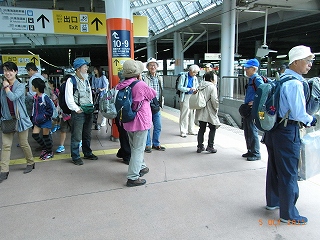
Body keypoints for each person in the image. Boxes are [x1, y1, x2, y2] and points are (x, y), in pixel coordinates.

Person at [264, 45, 317, 224]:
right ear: (296, 62)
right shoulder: (295, 83)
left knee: (274, 168)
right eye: (308, 61)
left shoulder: (281, 79)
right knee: (289, 173)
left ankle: (273, 202)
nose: (310, 64)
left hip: (273, 130)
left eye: (311, 61)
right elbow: (299, 114)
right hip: (288, 132)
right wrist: (312, 120)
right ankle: (289, 214)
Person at [116, 59, 156, 187]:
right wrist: (142, 81)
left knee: (135, 147)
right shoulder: (140, 85)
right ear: (138, 73)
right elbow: (153, 94)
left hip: (128, 121)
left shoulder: (122, 84)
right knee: (138, 149)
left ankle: (141, 166)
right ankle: (133, 177)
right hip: (140, 122)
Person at [0, 61, 34, 183]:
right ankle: (4, 170)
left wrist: (6, 87)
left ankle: (30, 162)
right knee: (6, 146)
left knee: (24, 143)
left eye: (10, 70)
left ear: (15, 72)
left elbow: (13, 97)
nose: (7, 73)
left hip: (21, 119)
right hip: (7, 119)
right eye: (5, 70)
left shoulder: (20, 85)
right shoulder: (2, 86)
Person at [65, 58, 98, 165]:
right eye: (85, 67)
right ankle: (75, 156)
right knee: (77, 135)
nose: (87, 69)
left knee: (87, 134)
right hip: (78, 112)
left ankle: (87, 152)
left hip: (88, 110)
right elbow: (68, 98)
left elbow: (89, 95)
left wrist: (92, 106)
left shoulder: (86, 80)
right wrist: (76, 109)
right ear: (78, 69)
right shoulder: (71, 81)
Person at [242, 58, 263, 161]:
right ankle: (250, 150)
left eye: (247, 68)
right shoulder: (251, 79)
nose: (245, 69)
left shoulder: (257, 79)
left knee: (252, 130)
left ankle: (256, 153)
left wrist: (255, 102)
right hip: (248, 109)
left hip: (253, 109)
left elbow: (264, 92)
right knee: (247, 130)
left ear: (254, 69)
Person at [142, 57, 166, 153]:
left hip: (156, 105)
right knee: (147, 125)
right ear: (147, 67)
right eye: (151, 65)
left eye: (154, 65)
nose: (153, 67)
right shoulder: (144, 77)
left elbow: (161, 91)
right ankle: (148, 144)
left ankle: (156, 143)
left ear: (157, 66)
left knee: (158, 125)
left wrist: (161, 103)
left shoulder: (159, 77)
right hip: (147, 104)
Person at [195, 72, 221, 153]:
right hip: (209, 110)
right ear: (211, 79)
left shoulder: (200, 85)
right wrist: (216, 108)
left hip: (200, 109)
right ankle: (210, 146)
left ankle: (200, 146)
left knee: (201, 128)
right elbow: (214, 100)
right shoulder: (212, 87)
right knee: (213, 128)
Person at [31, 78, 54, 160]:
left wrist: (44, 116)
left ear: (36, 87)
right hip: (37, 120)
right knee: (35, 135)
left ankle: (49, 152)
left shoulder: (45, 97)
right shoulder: (35, 97)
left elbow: (50, 110)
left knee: (46, 137)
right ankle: (45, 148)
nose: (31, 86)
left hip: (45, 121)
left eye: (32, 85)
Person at [177, 64, 200, 138]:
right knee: (184, 114)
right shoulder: (183, 76)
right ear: (190, 71)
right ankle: (183, 131)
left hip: (192, 96)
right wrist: (188, 89)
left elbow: (197, 85)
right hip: (185, 96)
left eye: (196, 72)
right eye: (194, 72)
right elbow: (179, 87)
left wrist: (195, 89)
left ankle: (191, 130)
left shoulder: (195, 78)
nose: (195, 74)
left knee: (192, 113)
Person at [56, 75, 73, 153]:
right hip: (68, 113)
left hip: (66, 113)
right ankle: (61, 145)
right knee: (73, 129)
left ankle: (61, 146)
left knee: (64, 130)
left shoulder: (63, 91)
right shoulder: (70, 89)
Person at [91, 66, 109, 130]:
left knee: (102, 108)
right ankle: (96, 120)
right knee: (96, 107)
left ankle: (104, 120)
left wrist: (101, 89)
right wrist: (93, 90)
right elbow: (92, 85)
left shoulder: (103, 77)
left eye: (95, 69)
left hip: (102, 95)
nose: (94, 71)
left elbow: (106, 85)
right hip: (96, 94)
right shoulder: (94, 77)